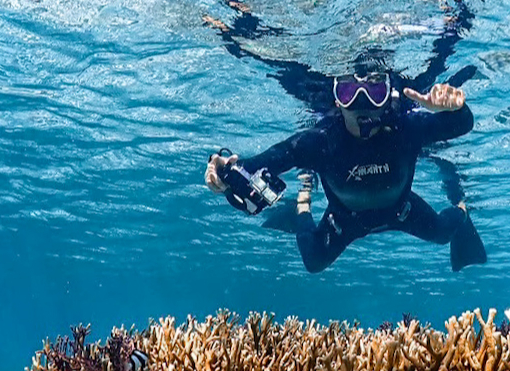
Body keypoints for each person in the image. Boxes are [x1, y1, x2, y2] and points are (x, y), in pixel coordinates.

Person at [204, 66, 486, 272]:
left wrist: (450, 107)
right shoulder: (321, 141)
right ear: (337, 100)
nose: (361, 103)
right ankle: (302, 206)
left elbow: (462, 124)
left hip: (402, 209)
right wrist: (224, 172)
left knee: (441, 233)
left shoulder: (406, 129)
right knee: (313, 262)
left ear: (388, 97)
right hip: (345, 218)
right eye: (349, 90)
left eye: (375, 90)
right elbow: (262, 163)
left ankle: (461, 208)